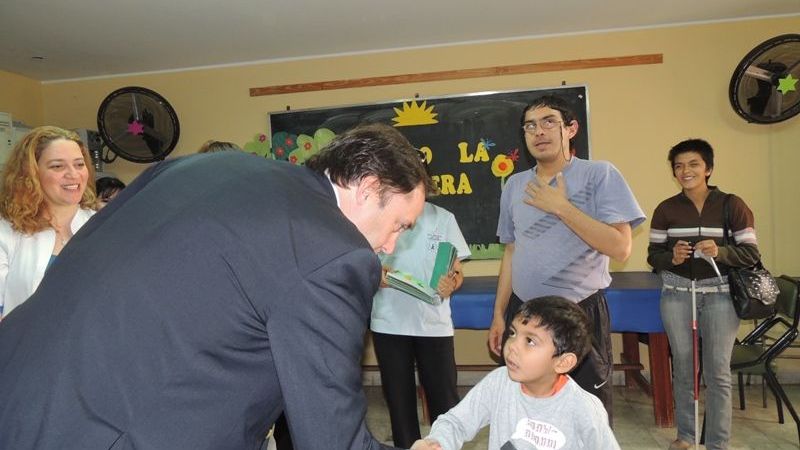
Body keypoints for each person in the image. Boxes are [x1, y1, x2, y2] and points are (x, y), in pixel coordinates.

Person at [0, 123, 433, 450]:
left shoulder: (206, 165)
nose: (391, 245)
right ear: (368, 187)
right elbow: (331, 438)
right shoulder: (334, 252)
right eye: (399, 225)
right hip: (103, 431)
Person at [487, 94, 645, 421]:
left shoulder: (599, 175)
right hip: (525, 312)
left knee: (587, 414)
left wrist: (561, 207)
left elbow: (620, 248)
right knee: (525, 412)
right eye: (530, 126)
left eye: (549, 122)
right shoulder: (514, 186)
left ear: (571, 129)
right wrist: (500, 314)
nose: (539, 132)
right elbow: (511, 251)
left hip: (580, 312)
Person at [647, 139, 759, 450]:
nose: (686, 171)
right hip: (676, 296)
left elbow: (750, 253)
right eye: (679, 166)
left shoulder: (731, 205)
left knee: (717, 372)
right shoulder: (666, 209)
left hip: (721, 296)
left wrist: (720, 251)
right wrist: (673, 258)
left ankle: (717, 444)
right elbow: (653, 255)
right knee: (683, 369)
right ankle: (686, 437)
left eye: (693, 164)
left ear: (708, 168)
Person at [411, 296, 620, 450]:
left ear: (563, 362)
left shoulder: (584, 408)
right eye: (513, 334)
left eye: (530, 341)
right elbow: (455, 423)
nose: (511, 346)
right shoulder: (499, 383)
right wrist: (437, 442)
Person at [370, 201, 471, 448]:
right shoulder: (375, 212)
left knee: (444, 402)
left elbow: (456, 271)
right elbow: (364, 258)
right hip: (388, 322)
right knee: (399, 403)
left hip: (433, 324)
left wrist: (452, 282)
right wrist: (374, 272)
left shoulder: (442, 217)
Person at [0, 126, 96, 319]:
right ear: (31, 174)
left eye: (79, 164)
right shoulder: (6, 230)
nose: (73, 174)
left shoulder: (103, 224)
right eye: (57, 166)